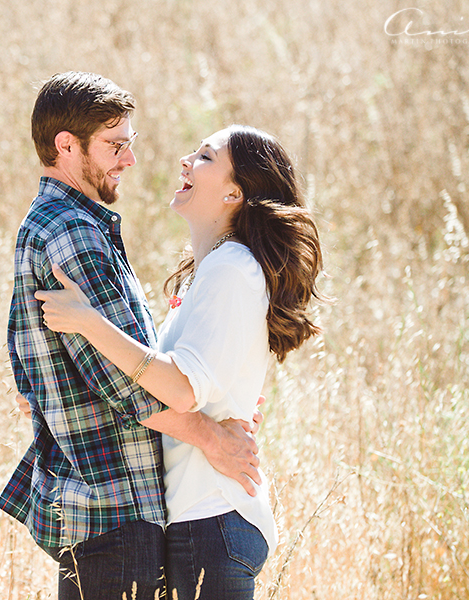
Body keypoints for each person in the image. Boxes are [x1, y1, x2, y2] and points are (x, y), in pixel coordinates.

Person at [0, 72, 263, 600]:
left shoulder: (57, 224)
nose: (130, 159)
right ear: (66, 146)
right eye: (115, 146)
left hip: (100, 507)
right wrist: (212, 437)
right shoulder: (71, 231)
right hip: (113, 504)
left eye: (129, 143)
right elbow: (122, 377)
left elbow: (47, 364)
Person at [35, 124, 326, 599]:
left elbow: (183, 389)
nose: (186, 161)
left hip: (211, 517)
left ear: (234, 192)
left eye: (206, 157)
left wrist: (88, 322)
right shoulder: (212, 272)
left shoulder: (232, 268)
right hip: (198, 519)